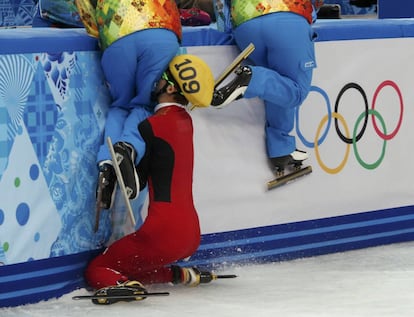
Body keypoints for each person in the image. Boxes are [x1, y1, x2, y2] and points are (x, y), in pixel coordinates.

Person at [84, 54, 217, 304]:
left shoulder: (151, 125)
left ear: (169, 87)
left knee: (99, 268)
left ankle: (122, 286)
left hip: (162, 233)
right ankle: (177, 274)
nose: (154, 82)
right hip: (190, 235)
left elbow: (136, 181)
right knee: (134, 262)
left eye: (160, 79)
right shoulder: (186, 121)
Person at [74, 0, 182, 209]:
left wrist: (101, 32)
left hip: (115, 32)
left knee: (120, 105)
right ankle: (128, 147)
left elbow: (86, 12)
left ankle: (107, 164)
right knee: (146, 103)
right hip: (161, 25)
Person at [211, 0, 324, 175]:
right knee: (296, 90)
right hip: (288, 13)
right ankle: (251, 79)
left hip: (244, 22)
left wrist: (225, 24)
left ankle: (281, 148)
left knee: (277, 84)